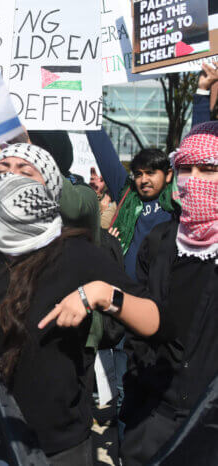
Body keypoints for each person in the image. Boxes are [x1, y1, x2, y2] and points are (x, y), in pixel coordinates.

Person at [0, 144, 163, 466]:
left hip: (55, 446)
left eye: (25, 172)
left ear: (50, 186)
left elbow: (152, 319)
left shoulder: (77, 254)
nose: (11, 177)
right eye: (2, 169)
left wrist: (103, 294)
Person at [120, 121, 218, 466]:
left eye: (209, 169)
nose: (194, 179)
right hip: (153, 414)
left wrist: (205, 93)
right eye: (185, 169)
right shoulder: (161, 239)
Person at [86, 131, 176, 281]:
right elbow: (103, 151)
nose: (144, 180)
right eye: (139, 174)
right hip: (123, 289)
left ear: (168, 175)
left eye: (150, 173)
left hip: (162, 293)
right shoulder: (127, 193)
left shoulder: (177, 202)